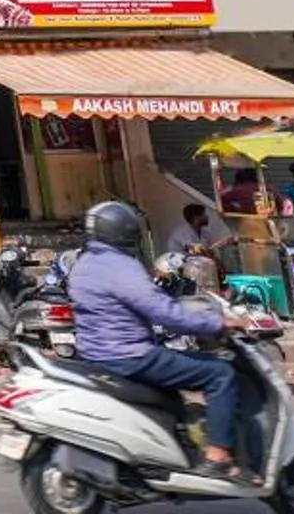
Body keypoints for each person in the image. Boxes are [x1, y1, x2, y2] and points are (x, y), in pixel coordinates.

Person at [65, 200, 250, 485]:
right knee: (220, 374)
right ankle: (218, 458)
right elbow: (162, 311)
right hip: (131, 356)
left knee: (175, 388)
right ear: (125, 231)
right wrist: (216, 323)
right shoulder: (122, 266)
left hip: (96, 355)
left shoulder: (84, 263)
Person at [165, 202, 228, 288]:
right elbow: (198, 251)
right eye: (204, 214)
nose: (207, 217)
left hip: (197, 268)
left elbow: (210, 253)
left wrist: (221, 267)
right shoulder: (182, 232)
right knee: (206, 266)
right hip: (180, 269)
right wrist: (219, 266)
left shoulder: (205, 234)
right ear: (196, 217)